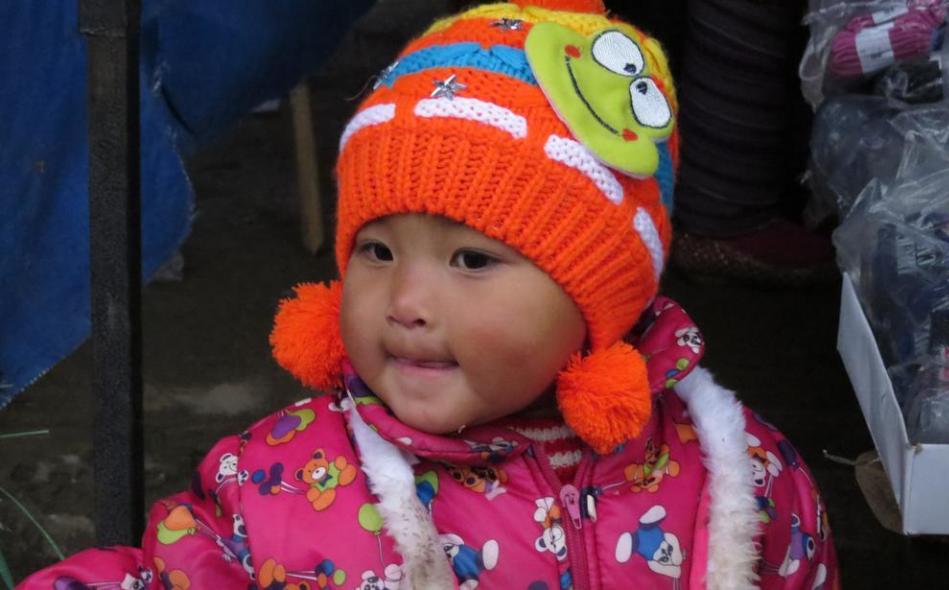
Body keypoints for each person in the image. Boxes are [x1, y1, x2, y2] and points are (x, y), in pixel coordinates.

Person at [19, 1, 839, 588]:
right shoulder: (279, 484)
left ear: (601, 294)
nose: (405, 299)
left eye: (472, 261)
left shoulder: (742, 479)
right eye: (376, 250)